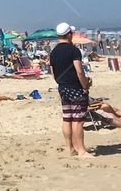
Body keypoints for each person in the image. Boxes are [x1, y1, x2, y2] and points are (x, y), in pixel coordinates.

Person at [50, 22, 93, 158]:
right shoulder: (73, 50)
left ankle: (70, 148)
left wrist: (61, 82)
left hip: (62, 87)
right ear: (69, 34)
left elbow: (53, 72)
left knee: (67, 118)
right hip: (75, 87)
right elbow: (79, 71)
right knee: (78, 120)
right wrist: (85, 85)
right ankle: (81, 150)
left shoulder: (54, 51)